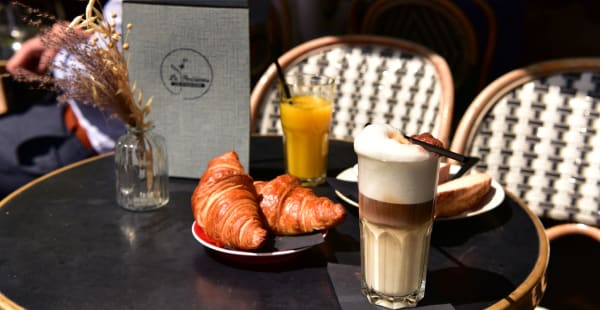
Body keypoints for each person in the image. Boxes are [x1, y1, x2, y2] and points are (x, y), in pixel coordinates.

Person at [0, 0, 124, 198]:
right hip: (65, 112)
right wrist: (81, 36)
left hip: (90, 147)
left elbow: (98, 81)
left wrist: (66, 46)